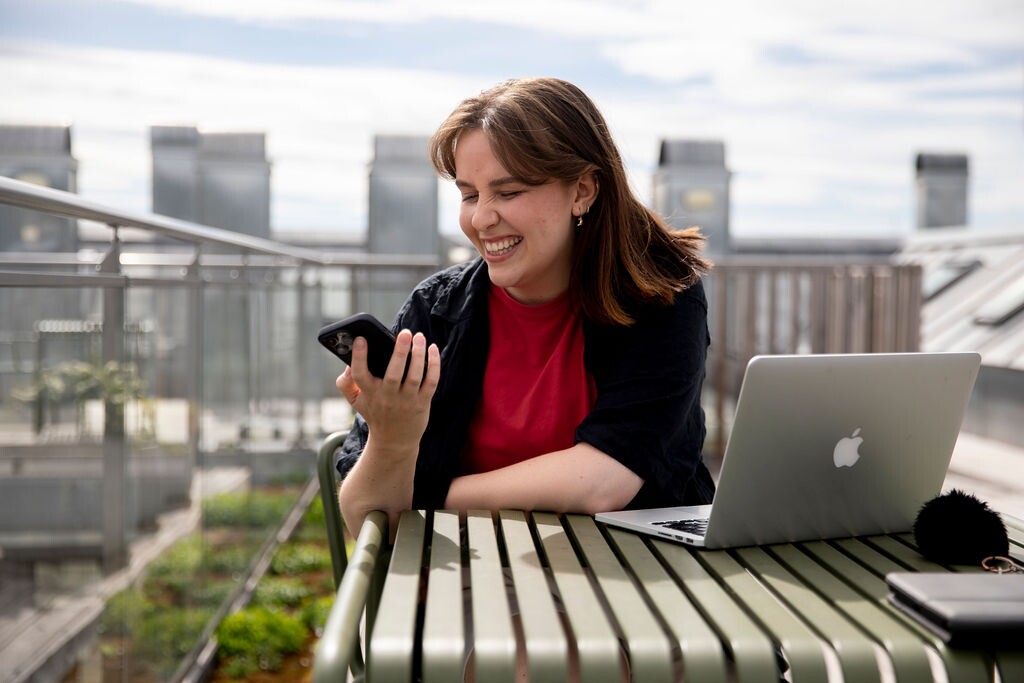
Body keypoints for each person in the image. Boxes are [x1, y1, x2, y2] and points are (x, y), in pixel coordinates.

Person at [335, 77, 715, 537]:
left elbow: (604, 480)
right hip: (464, 585)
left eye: (509, 191)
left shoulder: (659, 293)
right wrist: (393, 443)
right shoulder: (435, 312)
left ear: (583, 191)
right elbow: (366, 522)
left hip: (635, 576)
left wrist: (428, 497)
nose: (481, 218)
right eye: (469, 194)